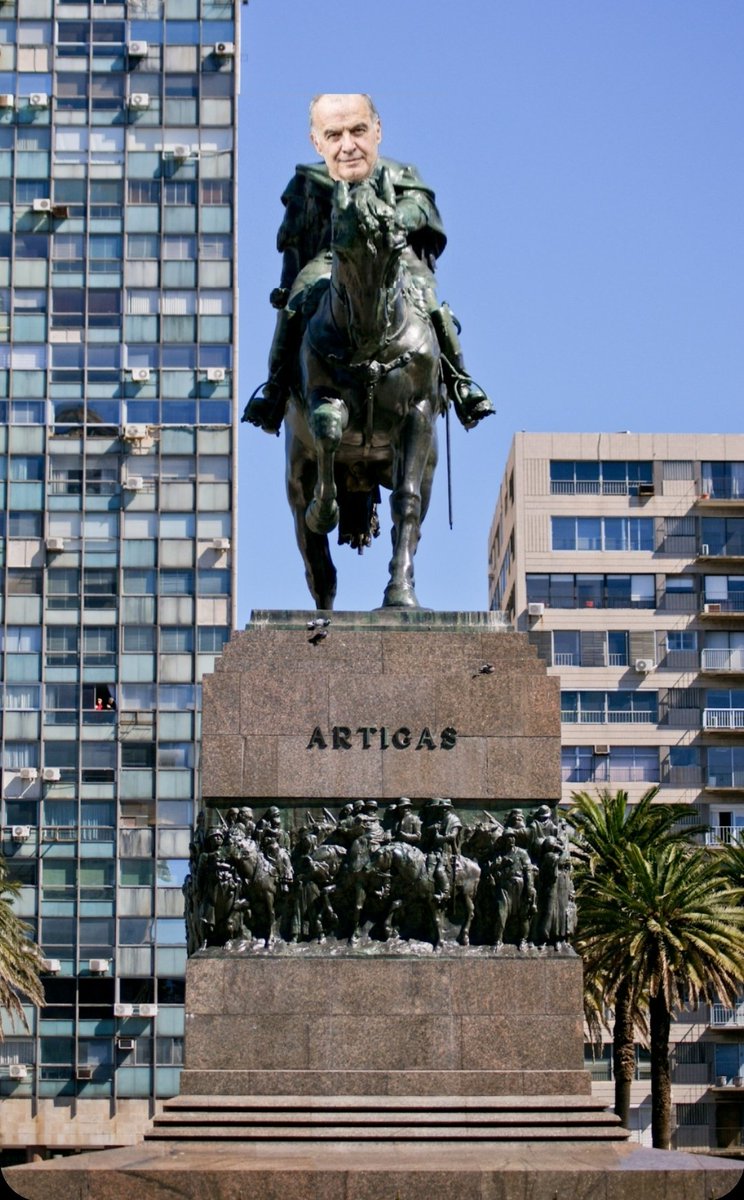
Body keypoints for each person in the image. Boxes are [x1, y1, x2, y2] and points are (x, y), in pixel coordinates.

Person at [243, 93, 494, 436]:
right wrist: (288, 289)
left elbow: (421, 207)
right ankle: (275, 388)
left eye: (358, 130)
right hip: (330, 262)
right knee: (296, 304)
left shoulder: (401, 174)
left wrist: (397, 219)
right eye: (334, 135)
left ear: (377, 130)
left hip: (395, 257)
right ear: (317, 142)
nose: (348, 145)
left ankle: (459, 381)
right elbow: (294, 241)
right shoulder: (305, 182)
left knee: (428, 301)